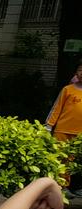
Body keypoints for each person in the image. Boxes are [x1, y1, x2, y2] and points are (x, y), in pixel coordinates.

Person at [45, 59, 82, 196]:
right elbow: (56, 108)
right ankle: (51, 185)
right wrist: (49, 125)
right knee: (57, 159)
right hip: (62, 130)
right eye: (80, 69)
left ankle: (64, 187)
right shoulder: (67, 89)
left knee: (71, 162)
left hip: (79, 135)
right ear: (76, 72)